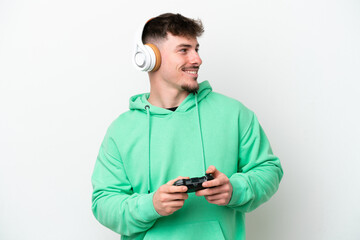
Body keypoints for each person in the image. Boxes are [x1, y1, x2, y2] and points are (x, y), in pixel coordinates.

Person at [91, 13, 283, 240]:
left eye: (197, 49)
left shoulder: (234, 114)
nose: (197, 60)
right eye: (184, 50)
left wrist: (235, 189)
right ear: (151, 57)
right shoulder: (121, 131)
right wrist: (151, 205)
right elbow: (103, 202)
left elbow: (269, 169)